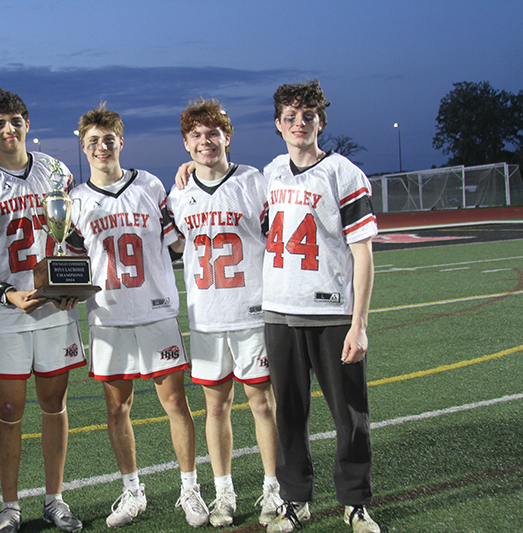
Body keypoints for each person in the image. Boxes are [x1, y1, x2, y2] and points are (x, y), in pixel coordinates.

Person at [65, 103, 208, 528]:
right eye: (93, 141)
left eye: (108, 139)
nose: (101, 147)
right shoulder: (74, 199)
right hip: (108, 317)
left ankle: (190, 489)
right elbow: (70, 261)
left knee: (175, 403)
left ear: (120, 142)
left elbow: (178, 241)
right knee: (117, 409)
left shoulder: (148, 184)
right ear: (83, 147)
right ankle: (132, 491)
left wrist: (194, 181)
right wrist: (62, 289)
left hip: (155, 309)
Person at [262, 80, 380, 533]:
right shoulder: (271, 172)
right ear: (278, 125)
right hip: (280, 313)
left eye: (307, 115)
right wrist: (184, 172)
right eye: (289, 116)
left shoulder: (344, 173)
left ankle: (355, 502)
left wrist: (360, 324)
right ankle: (295, 499)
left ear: (320, 121)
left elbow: (363, 253)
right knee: (289, 414)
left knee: (349, 414)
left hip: (333, 314)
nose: (298, 123)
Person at [0, 88, 84, 533]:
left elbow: (73, 237)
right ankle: (10, 506)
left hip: (55, 308)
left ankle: (55, 499)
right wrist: (4, 296)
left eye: (15, 121)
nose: (8, 130)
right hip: (8, 310)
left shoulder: (55, 170)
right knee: (11, 409)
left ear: (27, 123)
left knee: (54, 403)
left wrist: (71, 283)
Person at [166, 98, 281, 527]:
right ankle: (224, 492)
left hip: (251, 311)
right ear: (186, 143)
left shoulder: (255, 181)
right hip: (208, 316)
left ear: (227, 136)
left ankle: (273, 488)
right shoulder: (179, 192)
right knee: (216, 408)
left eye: (212, 133)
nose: (205, 141)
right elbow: (174, 243)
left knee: (262, 405)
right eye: (195, 135)